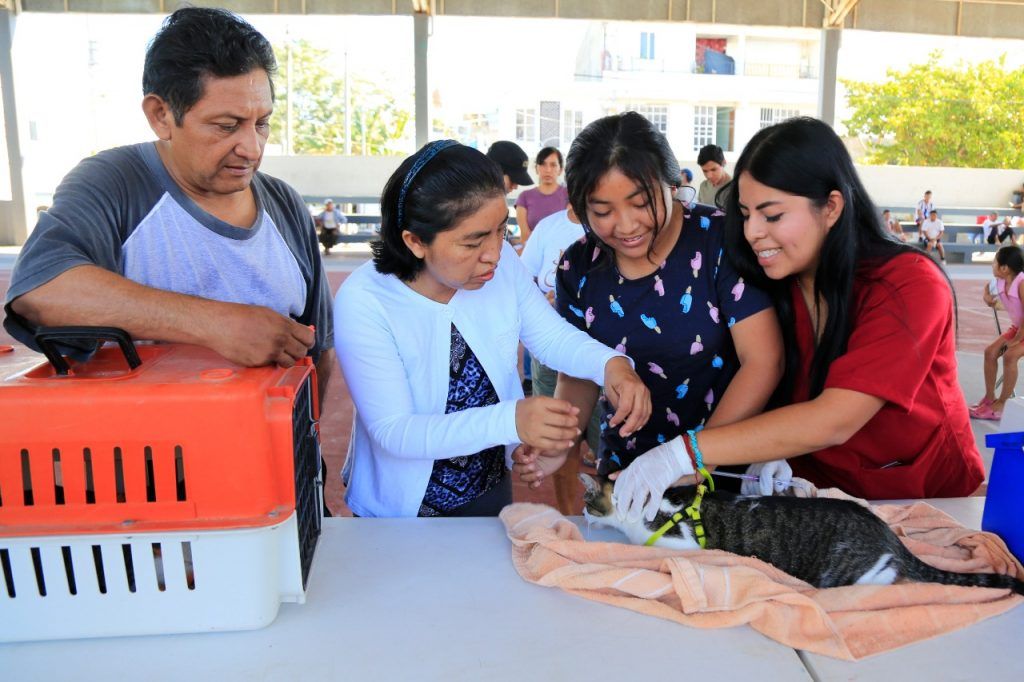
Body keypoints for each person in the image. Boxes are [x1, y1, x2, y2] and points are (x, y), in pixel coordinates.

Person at [605, 117, 984, 521]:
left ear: (831, 207)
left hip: (927, 498)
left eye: (771, 216)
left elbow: (835, 419)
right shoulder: (776, 280)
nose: (752, 232)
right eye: (745, 214)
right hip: (819, 500)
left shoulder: (910, 285)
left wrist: (686, 454)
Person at [3, 8, 334, 386]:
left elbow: (320, 350)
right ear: (160, 115)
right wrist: (215, 323)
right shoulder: (114, 182)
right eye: (226, 126)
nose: (252, 148)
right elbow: (40, 289)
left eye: (261, 123)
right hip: (138, 425)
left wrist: (310, 425)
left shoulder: (284, 204)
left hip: (266, 425)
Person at [333, 140, 651, 518]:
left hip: (489, 487)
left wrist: (611, 364)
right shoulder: (365, 299)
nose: (494, 254)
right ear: (415, 241)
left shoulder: (500, 266)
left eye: (501, 230)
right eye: (472, 242)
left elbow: (550, 336)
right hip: (401, 512)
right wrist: (512, 420)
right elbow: (395, 431)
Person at [513, 112, 783, 496]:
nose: (625, 226)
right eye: (602, 212)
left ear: (670, 183)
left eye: (640, 203)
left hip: (725, 471)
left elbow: (763, 361)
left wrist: (695, 458)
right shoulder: (578, 266)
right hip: (627, 475)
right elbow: (578, 370)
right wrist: (560, 442)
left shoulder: (721, 241)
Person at [970, 245, 1024, 421]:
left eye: (994, 262)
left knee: (1010, 356)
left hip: (1022, 330)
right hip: (1018, 328)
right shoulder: (999, 281)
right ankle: (989, 397)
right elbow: (988, 287)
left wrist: (1016, 340)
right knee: (990, 352)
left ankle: (1002, 404)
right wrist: (986, 297)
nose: (992, 265)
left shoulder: (1022, 283)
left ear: (1004, 268)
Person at [514, 147, 569, 244]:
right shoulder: (524, 197)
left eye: (553, 165)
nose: (548, 170)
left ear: (560, 169)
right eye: (543, 164)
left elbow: (568, 231)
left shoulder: (569, 195)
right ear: (536, 168)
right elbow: (525, 236)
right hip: (531, 249)